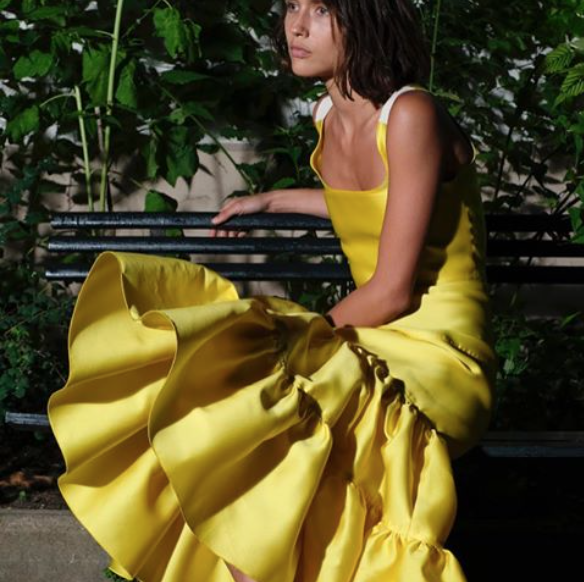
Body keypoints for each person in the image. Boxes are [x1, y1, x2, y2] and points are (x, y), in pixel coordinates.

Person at [48, 1, 498, 581]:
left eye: (321, 9)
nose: (296, 26)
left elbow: (391, 292)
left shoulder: (411, 114)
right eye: (292, 6)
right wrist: (275, 199)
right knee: (227, 399)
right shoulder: (327, 117)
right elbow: (376, 205)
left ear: (367, 17)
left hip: (440, 355)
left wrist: (301, 335)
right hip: (373, 340)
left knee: (257, 384)